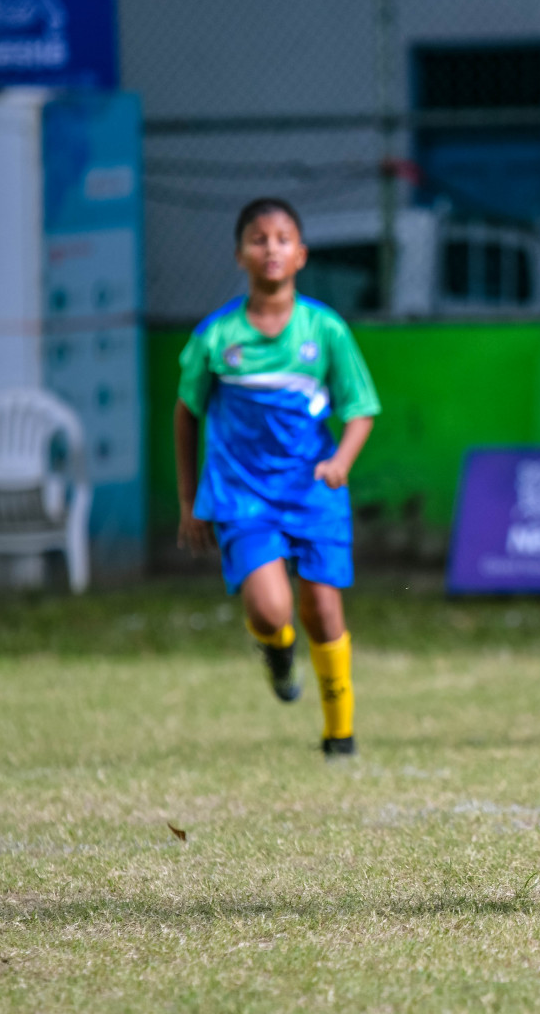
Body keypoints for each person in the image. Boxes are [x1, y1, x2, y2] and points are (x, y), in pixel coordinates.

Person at [173, 198, 380, 759]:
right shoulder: (216, 337)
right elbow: (187, 413)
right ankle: (276, 649)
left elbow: (360, 407)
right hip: (243, 496)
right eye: (259, 239)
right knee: (270, 610)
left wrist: (341, 461)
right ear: (240, 254)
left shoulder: (325, 329)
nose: (271, 248)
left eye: (283, 238)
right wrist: (189, 498)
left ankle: (340, 734)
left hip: (313, 492)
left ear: (302, 254)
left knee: (323, 610)